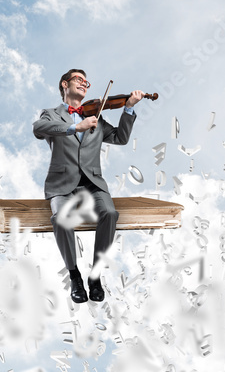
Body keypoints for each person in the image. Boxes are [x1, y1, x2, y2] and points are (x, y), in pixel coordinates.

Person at [33, 69, 145, 303]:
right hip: (62, 184)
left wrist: (129, 108)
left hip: (93, 182)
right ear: (65, 84)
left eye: (86, 82)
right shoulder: (51, 114)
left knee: (110, 213)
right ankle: (74, 275)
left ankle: (95, 275)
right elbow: (39, 129)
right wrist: (75, 127)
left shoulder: (98, 117)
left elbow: (121, 138)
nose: (84, 84)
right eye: (79, 80)